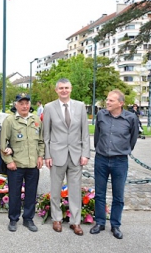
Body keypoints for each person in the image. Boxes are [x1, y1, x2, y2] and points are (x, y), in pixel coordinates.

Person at [43, 78, 90, 236]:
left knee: (75, 190)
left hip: (76, 155)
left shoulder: (80, 106)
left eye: (67, 88)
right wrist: (47, 155)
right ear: (56, 90)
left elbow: (85, 133)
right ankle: (56, 218)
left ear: (71, 89)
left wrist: (85, 154)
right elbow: (46, 134)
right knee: (55, 189)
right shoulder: (49, 107)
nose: (64, 90)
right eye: (61, 88)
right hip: (56, 155)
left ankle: (75, 222)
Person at [90, 90, 138, 239]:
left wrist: (122, 150)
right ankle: (100, 222)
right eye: (107, 100)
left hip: (120, 161)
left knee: (118, 195)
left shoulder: (131, 118)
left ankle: (116, 225)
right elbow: (97, 137)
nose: (107, 102)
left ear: (121, 103)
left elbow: (133, 139)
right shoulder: (101, 115)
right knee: (99, 193)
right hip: (101, 159)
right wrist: (101, 151)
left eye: (111, 100)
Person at [0, 93, 44, 232]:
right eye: (21, 103)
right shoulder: (10, 121)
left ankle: (28, 219)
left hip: (32, 164)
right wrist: (9, 161)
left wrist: (40, 156)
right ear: (16, 105)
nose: (25, 106)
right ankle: (13, 219)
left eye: (27, 103)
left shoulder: (36, 120)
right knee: (14, 194)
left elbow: (41, 141)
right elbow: (3, 143)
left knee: (31, 193)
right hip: (16, 165)